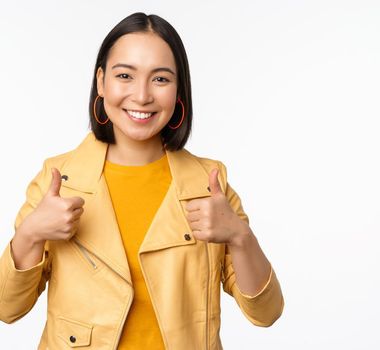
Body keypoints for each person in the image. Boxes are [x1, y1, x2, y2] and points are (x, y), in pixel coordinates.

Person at [0, 12, 283, 349]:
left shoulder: (210, 184)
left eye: (160, 79)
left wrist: (240, 236)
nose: (142, 95)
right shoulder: (58, 180)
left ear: (179, 90)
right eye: (125, 76)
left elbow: (266, 313)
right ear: (101, 82)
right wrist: (31, 233)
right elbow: (7, 308)